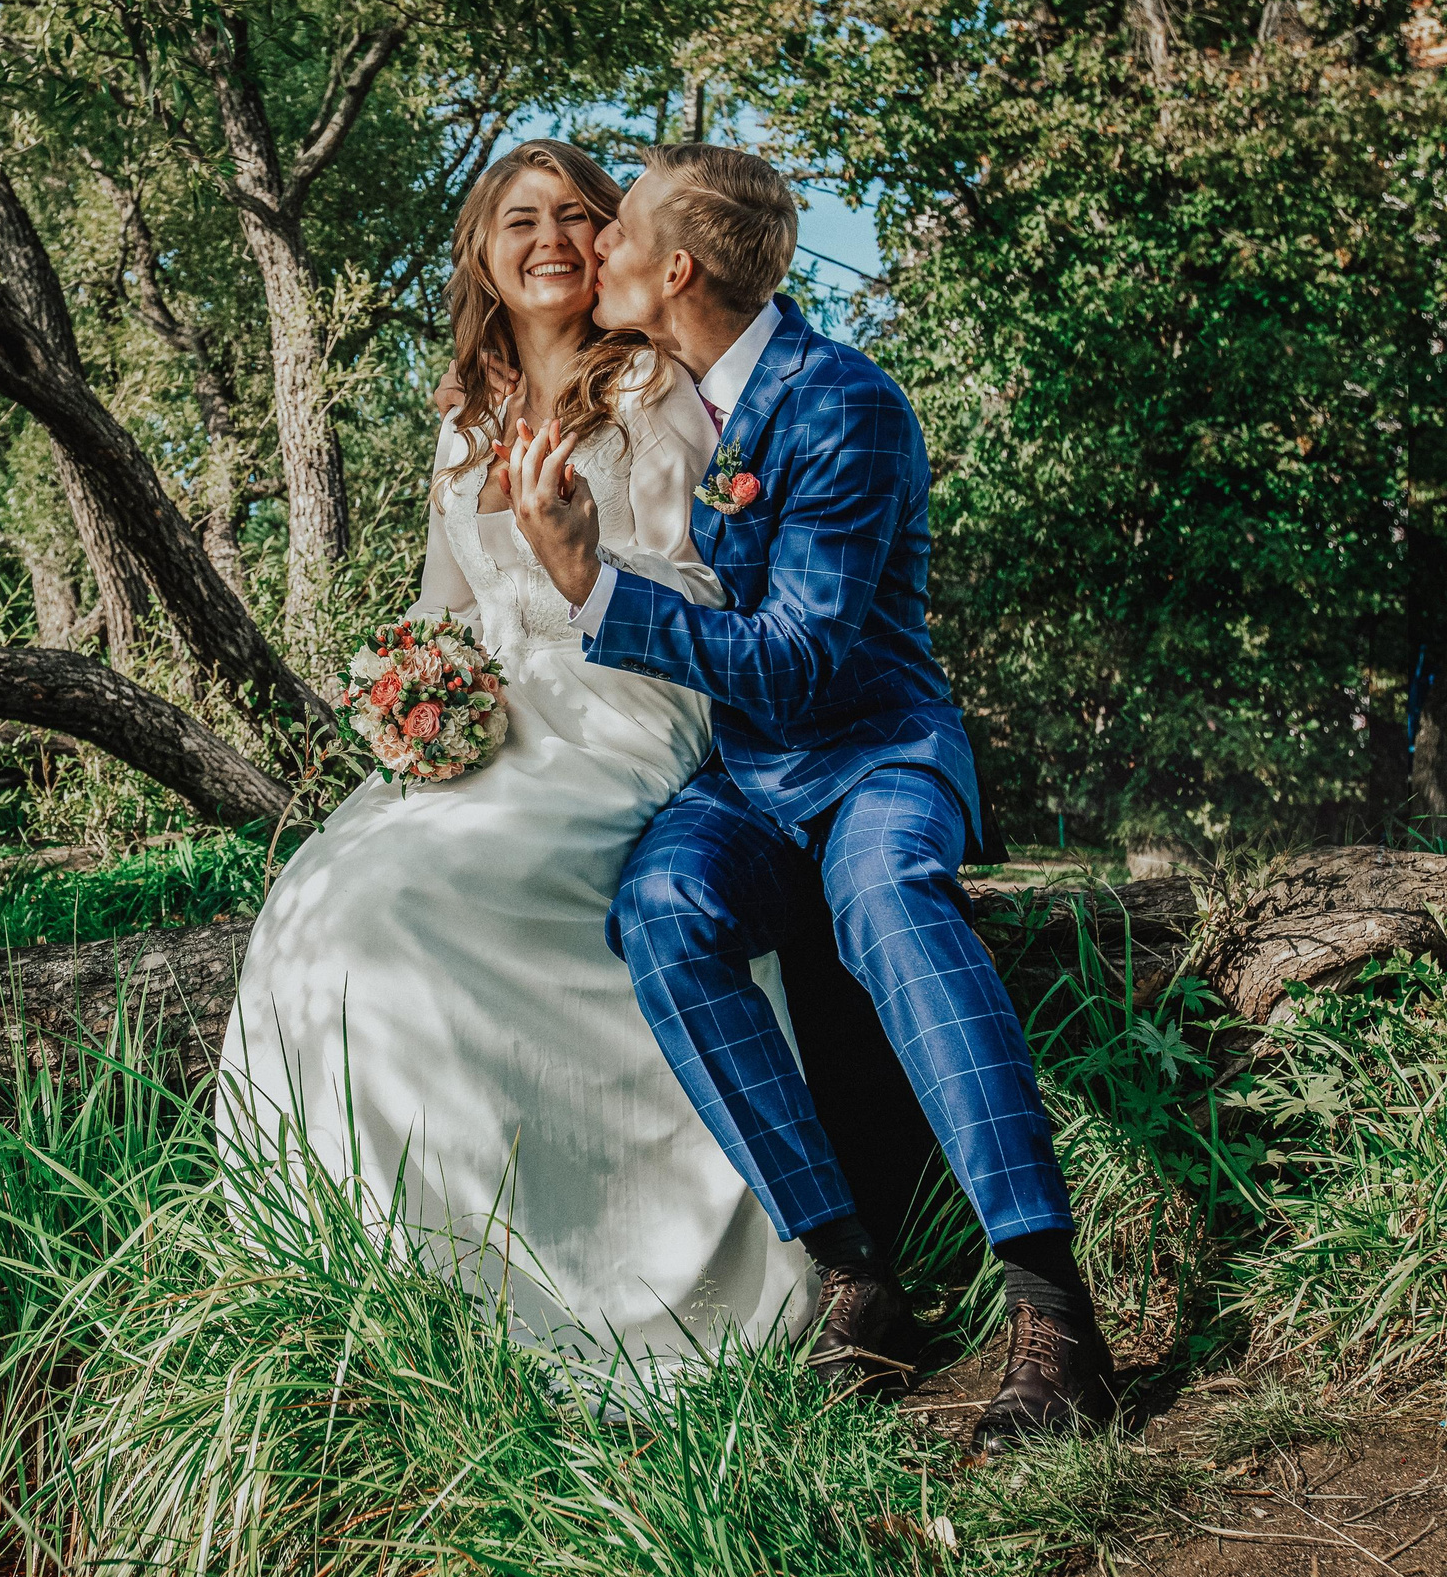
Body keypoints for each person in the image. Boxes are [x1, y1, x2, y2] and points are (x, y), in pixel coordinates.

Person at [216, 140, 915, 1379]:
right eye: (519, 219)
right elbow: (442, 614)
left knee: (404, 895)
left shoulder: (653, 390)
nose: (550, 239)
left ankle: (606, 1277)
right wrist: (403, 699)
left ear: (611, 248)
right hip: (499, 724)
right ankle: (396, 1274)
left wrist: (581, 560)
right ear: (482, 252)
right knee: (315, 895)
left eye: (578, 218)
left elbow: (719, 589)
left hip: (624, 713)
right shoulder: (464, 421)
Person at [501, 143, 1113, 1450]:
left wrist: (591, 587)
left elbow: (798, 661)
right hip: (748, 781)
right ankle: (855, 1273)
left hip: (877, 757)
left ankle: (1055, 1313)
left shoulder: (845, 402)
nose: (593, 245)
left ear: (676, 271)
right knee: (661, 910)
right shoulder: (693, 396)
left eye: (618, 236)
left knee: (890, 897)